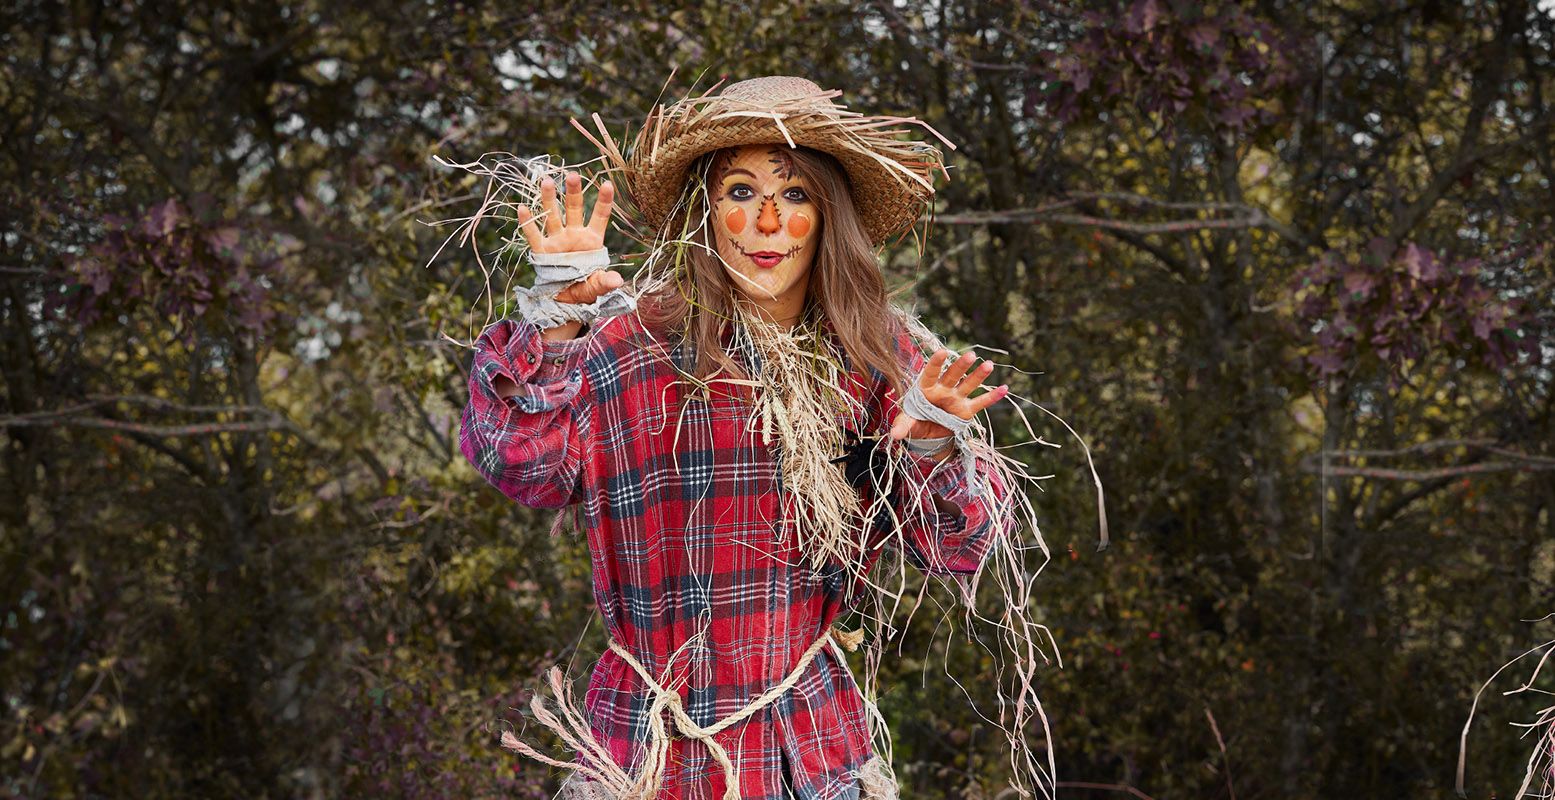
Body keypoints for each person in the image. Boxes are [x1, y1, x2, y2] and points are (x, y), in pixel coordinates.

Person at [458, 75, 1022, 800]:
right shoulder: (633, 342)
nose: (764, 221)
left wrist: (931, 447)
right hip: (648, 754)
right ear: (705, 209)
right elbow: (521, 467)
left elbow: (961, 548)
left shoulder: (878, 355)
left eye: (793, 195)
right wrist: (556, 319)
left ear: (827, 215)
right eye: (739, 192)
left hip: (810, 752)